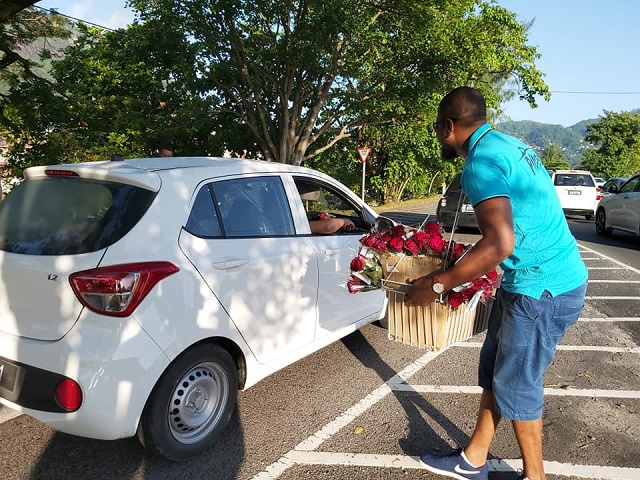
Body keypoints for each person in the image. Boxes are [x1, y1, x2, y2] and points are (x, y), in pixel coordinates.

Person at [407, 87, 587, 480]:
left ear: (449, 126)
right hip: (532, 281)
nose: (439, 135)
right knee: (494, 370)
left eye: (438, 127)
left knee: (518, 384)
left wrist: (437, 284)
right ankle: (473, 459)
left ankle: (534, 476)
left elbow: (500, 243)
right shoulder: (508, 144)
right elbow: (512, 227)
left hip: (543, 289)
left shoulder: (480, 163)